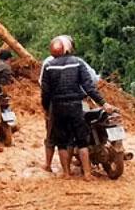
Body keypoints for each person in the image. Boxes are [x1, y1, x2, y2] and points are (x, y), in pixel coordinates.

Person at [41, 35, 116, 180]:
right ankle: (87, 174)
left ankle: (66, 174)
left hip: (57, 108)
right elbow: (89, 87)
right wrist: (103, 103)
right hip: (75, 106)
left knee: (62, 143)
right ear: (68, 47)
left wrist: (46, 109)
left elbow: (46, 92)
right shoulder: (77, 63)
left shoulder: (49, 66)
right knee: (82, 141)